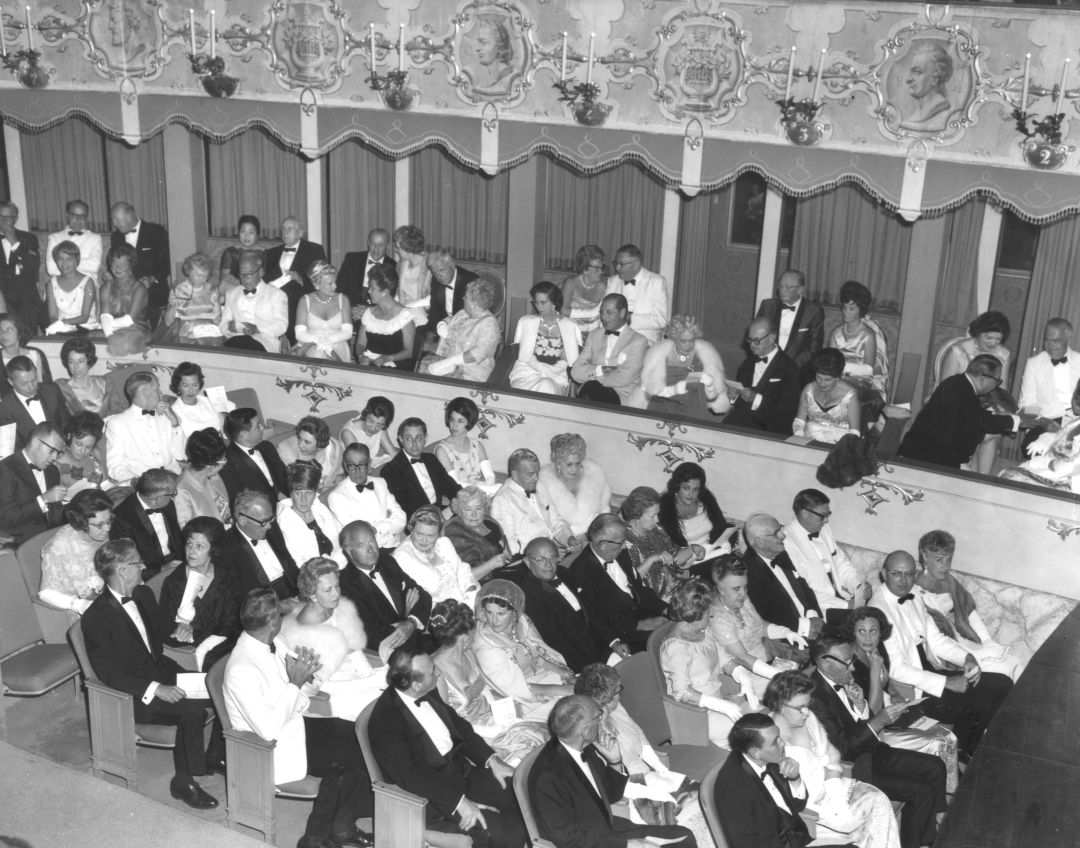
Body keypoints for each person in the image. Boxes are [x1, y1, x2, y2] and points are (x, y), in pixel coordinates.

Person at [223, 587, 376, 848]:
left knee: (358, 738)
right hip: (270, 749)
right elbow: (268, 729)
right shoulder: (241, 668)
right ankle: (313, 839)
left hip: (294, 724)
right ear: (273, 622)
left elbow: (300, 695)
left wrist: (309, 677)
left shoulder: (274, 643)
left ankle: (341, 827)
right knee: (342, 764)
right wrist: (295, 683)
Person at [83, 539, 220, 810]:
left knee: (217, 690)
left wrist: (181, 629)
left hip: (161, 669)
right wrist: (154, 688)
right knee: (192, 712)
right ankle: (184, 781)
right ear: (123, 571)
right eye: (137, 563)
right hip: (135, 693)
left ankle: (213, 757)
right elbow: (109, 673)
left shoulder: (142, 594)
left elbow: (160, 628)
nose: (143, 566)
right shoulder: (95, 618)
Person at [368, 642, 524, 848]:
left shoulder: (427, 691)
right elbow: (411, 777)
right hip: (434, 794)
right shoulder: (386, 722)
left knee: (519, 795)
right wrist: (460, 803)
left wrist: (492, 760)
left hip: (462, 771)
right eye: (433, 671)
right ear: (416, 684)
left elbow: (461, 728)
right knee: (496, 831)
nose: (439, 672)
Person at [869, 550, 1013, 759]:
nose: (904, 580)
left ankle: (969, 749)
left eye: (909, 573)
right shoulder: (878, 610)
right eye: (896, 573)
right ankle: (966, 753)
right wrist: (946, 682)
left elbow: (935, 640)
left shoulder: (915, 593)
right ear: (884, 574)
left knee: (1002, 683)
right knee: (980, 703)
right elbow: (897, 668)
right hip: (914, 691)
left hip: (932, 670)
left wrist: (966, 658)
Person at [807, 632, 947, 848]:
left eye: (852, 660)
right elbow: (842, 750)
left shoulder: (841, 679)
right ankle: (918, 843)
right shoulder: (814, 698)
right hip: (853, 769)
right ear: (824, 665)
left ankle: (932, 830)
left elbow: (857, 726)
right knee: (921, 791)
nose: (852, 668)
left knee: (935, 765)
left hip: (872, 751)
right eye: (846, 663)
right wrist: (879, 721)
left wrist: (861, 707)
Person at [531, 695, 697, 848]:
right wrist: (627, 844)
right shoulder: (547, 778)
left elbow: (611, 794)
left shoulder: (583, 747)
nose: (602, 719)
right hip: (591, 842)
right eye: (598, 716)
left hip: (606, 826)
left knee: (683, 836)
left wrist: (614, 760)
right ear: (586, 730)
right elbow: (568, 839)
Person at [574, 663, 710, 845]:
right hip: (629, 794)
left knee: (705, 798)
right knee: (687, 824)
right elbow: (609, 785)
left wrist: (660, 768)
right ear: (604, 701)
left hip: (649, 776)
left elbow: (638, 735)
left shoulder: (616, 708)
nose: (620, 693)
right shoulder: (590, 734)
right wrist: (658, 794)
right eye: (617, 691)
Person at [765, 672, 901, 848]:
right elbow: (782, 796)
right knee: (864, 825)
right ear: (779, 705)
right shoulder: (770, 738)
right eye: (800, 708)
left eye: (808, 704)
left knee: (878, 799)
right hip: (808, 811)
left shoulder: (809, 718)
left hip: (831, 786)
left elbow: (831, 759)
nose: (806, 712)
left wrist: (837, 798)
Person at [846, 606, 960, 795]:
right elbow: (872, 715)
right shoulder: (850, 666)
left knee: (946, 733)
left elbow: (887, 678)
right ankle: (945, 795)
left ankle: (946, 789)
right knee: (942, 740)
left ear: (880, 632)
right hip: (876, 733)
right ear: (853, 632)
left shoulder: (877, 647)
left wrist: (894, 692)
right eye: (861, 632)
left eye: (873, 631)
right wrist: (875, 672)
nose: (868, 638)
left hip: (892, 713)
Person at [430, 599, 549, 764]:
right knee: (529, 752)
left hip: (498, 722)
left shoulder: (468, 653)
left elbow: (487, 691)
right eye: (474, 630)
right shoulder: (435, 673)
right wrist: (490, 730)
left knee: (542, 737)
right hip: (473, 738)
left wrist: (509, 715)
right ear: (464, 637)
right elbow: (448, 724)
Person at [278, 557, 387, 721]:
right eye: (328, 590)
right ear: (312, 595)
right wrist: (371, 682)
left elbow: (354, 654)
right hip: (333, 698)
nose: (336, 594)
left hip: (361, 682)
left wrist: (370, 675)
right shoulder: (298, 633)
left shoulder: (336, 610)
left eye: (337, 586)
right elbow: (318, 685)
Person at [915, 530, 1023, 681]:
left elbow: (970, 612)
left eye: (948, 560)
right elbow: (933, 639)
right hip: (942, 650)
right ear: (925, 556)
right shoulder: (913, 589)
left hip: (963, 638)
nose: (945, 567)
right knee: (1002, 670)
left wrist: (986, 641)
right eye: (939, 560)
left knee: (1015, 664)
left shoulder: (949, 581)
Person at [708, 555, 807, 707]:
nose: (743, 593)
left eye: (745, 586)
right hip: (742, 678)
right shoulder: (717, 618)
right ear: (720, 589)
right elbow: (741, 657)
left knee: (803, 688)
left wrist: (784, 632)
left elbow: (759, 626)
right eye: (736, 589)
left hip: (765, 665)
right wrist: (775, 675)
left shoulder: (742, 599)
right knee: (794, 697)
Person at [472, 579, 575, 719]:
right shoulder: (486, 646)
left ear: (514, 612)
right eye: (489, 613)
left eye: (501, 614)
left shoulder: (521, 621)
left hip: (544, 679)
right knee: (575, 711)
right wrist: (565, 689)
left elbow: (542, 657)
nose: (493, 620)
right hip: (522, 699)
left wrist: (566, 674)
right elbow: (515, 689)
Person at [567, 513, 668, 657]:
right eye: (621, 542)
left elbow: (640, 590)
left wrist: (665, 609)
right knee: (669, 638)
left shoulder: (621, 553)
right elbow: (594, 616)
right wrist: (616, 641)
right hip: (622, 630)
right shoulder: (580, 571)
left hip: (642, 614)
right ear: (603, 544)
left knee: (680, 622)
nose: (625, 545)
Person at [659, 578, 745, 746]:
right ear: (695, 613)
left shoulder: (701, 630)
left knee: (760, 717)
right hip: (698, 714)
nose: (711, 613)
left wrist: (740, 673)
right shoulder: (676, 647)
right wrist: (720, 705)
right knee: (749, 733)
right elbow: (682, 693)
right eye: (707, 610)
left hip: (719, 701)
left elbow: (721, 655)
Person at [714, 713, 821, 848]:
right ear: (755, 752)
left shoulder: (767, 758)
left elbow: (797, 806)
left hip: (799, 839)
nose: (782, 743)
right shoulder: (734, 791)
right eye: (776, 741)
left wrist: (794, 778)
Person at [899, 353, 1020, 470]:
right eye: (998, 381)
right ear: (983, 379)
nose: (997, 385)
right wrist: (1016, 420)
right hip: (922, 461)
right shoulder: (958, 389)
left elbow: (971, 421)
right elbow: (980, 421)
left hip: (935, 459)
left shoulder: (960, 385)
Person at [503, 537, 606, 673]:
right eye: (540, 560)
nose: (549, 564)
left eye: (552, 558)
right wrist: (591, 666)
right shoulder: (529, 596)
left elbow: (591, 611)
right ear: (528, 562)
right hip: (577, 662)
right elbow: (555, 641)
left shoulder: (563, 573)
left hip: (599, 645)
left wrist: (612, 642)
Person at [933, 310, 1014, 474]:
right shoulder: (958, 352)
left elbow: (1001, 389)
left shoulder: (1003, 354)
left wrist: (996, 411)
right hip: (955, 405)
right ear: (978, 332)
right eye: (988, 338)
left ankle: (982, 479)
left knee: (991, 432)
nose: (992, 343)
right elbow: (945, 388)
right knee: (976, 427)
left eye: (997, 339)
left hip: (986, 404)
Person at [337, 520, 432, 658]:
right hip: (390, 654)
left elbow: (422, 596)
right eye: (361, 545)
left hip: (416, 637)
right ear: (349, 551)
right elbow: (371, 633)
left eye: (372, 541)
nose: (370, 549)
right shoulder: (345, 584)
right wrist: (405, 619)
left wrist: (411, 622)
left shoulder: (386, 561)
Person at [158, 516, 239, 671]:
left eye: (200, 546)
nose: (191, 551)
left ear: (213, 550)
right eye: (189, 543)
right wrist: (182, 628)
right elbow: (163, 623)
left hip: (223, 642)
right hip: (192, 649)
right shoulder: (174, 582)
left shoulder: (226, 575)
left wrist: (194, 629)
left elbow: (231, 620)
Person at [783, 489, 869, 617]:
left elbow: (841, 563)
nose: (827, 521)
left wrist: (858, 588)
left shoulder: (824, 529)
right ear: (805, 513)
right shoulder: (786, 542)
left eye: (828, 514)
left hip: (841, 597)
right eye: (823, 516)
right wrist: (846, 605)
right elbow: (803, 589)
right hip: (819, 608)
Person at [744, 513, 825, 640]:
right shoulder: (749, 571)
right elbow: (762, 615)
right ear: (759, 541)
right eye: (776, 533)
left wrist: (812, 615)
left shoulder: (780, 553)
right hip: (788, 636)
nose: (783, 535)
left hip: (812, 622)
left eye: (781, 529)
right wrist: (804, 626)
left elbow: (805, 588)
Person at [638, 315, 730, 419]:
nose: (688, 345)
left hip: (697, 410)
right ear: (674, 338)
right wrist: (674, 389)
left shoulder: (703, 356)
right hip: (664, 408)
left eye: (691, 340)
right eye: (683, 341)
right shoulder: (660, 355)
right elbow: (651, 388)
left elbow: (713, 393)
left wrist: (709, 386)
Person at [620, 486, 702, 603]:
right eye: (652, 516)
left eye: (657, 514)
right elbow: (629, 581)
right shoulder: (624, 541)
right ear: (636, 514)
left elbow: (674, 558)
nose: (657, 520)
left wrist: (692, 549)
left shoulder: (657, 530)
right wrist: (652, 559)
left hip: (673, 591)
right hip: (649, 601)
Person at [491, 447, 577, 556]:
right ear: (515, 475)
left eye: (537, 472)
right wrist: (546, 554)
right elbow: (510, 547)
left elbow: (555, 520)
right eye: (530, 474)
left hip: (553, 552)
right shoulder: (502, 501)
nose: (536, 478)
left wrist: (570, 539)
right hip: (530, 562)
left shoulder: (540, 486)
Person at [38, 489, 114, 614]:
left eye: (109, 520)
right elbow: (45, 593)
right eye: (100, 524)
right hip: (81, 608)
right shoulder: (58, 548)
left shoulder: (99, 531)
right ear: (81, 522)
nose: (107, 528)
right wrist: (80, 605)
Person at [103, 371, 185, 484]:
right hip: (144, 486)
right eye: (157, 389)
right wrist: (140, 483)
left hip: (175, 479)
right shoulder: (117, 423)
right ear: (146, 392)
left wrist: (174, 422)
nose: (160, 392)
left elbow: (181, 455)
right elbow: (115, 466)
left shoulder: (166, 416)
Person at [724, 317, 803, 435]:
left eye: (756, 341)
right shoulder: (746, 365)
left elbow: (788, 411)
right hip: (741, 424)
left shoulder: (789, 368)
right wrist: (733, 397)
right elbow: (738, 404)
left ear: (771, 338)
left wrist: (756, 399)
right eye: (749, 340)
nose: (751, 345)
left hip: (770, 428)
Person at [1003, 376, 1080, 491]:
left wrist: (1049, 464)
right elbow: (1061, 435)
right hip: (1049, 419)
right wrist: (1044, 439)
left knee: (1018, 481)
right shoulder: (1075, 422)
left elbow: (1072, 465)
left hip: (1069, 475)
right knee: (1009, 476)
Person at [393, 505, 481, 605]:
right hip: (440, 613)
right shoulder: (403, 557)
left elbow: (462, 569)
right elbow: (421, 599)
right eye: (419, 534)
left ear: (439, 533)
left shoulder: (443, 542)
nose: (424, 540)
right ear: (411, 529)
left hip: (468, 600)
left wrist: (471, 593)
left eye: (430, 536)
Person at [828, 280, 889, 423]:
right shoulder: (835, 333)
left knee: (841, 392)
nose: (846, 312)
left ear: (860, 310)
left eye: (851, 308)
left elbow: (868, 370)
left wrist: (842, 368)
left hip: (860, 382)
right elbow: (829, 363)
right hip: (837, 378)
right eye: (844, 307)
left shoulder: (868, 335)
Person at [570, 293, 648, 406]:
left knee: (591, 390)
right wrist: (603, 369)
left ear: (622, 313)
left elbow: (624, 377)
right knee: (591, 391)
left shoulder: (639, 341)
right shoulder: (594, 335)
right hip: (591, 393)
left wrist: (593, 377)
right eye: (601, 312)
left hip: (621, 398)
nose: (603, 317)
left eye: (608, 312)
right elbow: (576, 372)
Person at [220, 489, 299, 600]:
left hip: (293, 590)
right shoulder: (227, 547)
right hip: (263, 605)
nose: (269, 526)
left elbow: (290, 564)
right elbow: (238, 596)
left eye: (271, 518)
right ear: (242, 519)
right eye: (263, 522)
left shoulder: (272, 526)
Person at [262, 215, 327, 345]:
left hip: (300, 305)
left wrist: (301, 280)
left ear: (300, 232)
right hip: (274, 305)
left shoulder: (314, 250)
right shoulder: (271, 253)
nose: (285, 232)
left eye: (290, 229)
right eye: (283, 229)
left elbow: (323, 282)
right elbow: (264, 280)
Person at [327, 442, 407, 548]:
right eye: (351, 465)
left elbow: (401, 519)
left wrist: (375, 528)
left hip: (396, 544)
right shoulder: (336, 496)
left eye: (362, 464)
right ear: (345, 466)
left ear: (369, 464)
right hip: (369, 552)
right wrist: (389, 524)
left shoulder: (380, 483)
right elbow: (359, 537)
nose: (357, 470)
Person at [1017, 318, 1080, 450]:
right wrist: (1041, 421)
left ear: (1069, 340)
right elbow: (1027, 403)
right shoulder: (1034, 364)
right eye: (1047, 340)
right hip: (1048, 420)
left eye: (1056, 341)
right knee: (1031, 449)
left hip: (1077, 419)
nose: (1051, 346)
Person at [508, 280, 580, 396]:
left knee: (546, 386)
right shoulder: (526, 322)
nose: (538, 307)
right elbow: (524, 354)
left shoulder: (569, 325)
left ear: (554, 303)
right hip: (527, 372)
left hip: (556, 376)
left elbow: (567, 359)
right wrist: (544, 370)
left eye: (543, 302)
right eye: (536, 302)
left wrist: (551, 373)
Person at [423, 278, 501, 382]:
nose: (463, 298)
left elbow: (478, 352)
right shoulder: (464, 313)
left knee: (423, 374)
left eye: (466, 297)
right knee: (418, 365)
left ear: (474, 303)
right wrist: (442, 324)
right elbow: (450, 319)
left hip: (468, 375)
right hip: (448, 363)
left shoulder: (489, 324)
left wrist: (448, 362)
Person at [109, 468, 183, 579]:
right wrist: (161, 570)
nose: (174, 495)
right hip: (151, 575)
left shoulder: (168, 504)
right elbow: (127, 565)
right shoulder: (121, 520)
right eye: (173, 493)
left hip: (177, 564)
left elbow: (177, 536)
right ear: (157, 499)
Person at [536, 433, 612, 539]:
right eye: (569, 464)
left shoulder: (595, 476)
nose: (574, 469)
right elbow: (547, 523)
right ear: (557, 463)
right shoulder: (543, 483)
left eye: (578, 463)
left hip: (594, 538)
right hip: (560, 542)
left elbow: (605, 510)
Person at [382, 417, 462, 517]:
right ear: (401, 439)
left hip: (441, 513)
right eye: (409, 438)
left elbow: (451, 486)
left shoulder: (431, 459)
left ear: (426, 438)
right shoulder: (391, 470)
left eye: (419, 438)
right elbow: (401, 510)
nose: (414, 443)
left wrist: (460, 499)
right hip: (418, 520)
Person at [0, 422, 66, 543]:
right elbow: (6, 518)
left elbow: (55, 512)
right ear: (36, 442)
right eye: (52, 451)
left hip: (51, 536)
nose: (54, 457)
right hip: (20, 541)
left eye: (58, 452)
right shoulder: (5, 469)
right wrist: (43, 499)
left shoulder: (53, 471)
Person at [656, 462, 732, 564]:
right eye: (686, 488)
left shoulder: (706, 499)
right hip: (688, 561)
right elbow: (665, 545)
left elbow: (720, 526)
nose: (691, 494)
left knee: (738, 568)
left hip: (713, 553)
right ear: (677, 486)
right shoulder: (665, 507)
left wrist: (724, 546)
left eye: (695, 489)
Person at [756, 269, 825, 373]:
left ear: (800, 290)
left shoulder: (813, 311)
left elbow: (814, 348)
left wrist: (790, 366)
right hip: (766, 366)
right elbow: (757, 338)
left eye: (788, 287)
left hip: (797, 370)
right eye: (780, 285)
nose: (782, 290)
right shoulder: (767, 306)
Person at [277, 463, 346, 567]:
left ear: (315, 492)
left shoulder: (319, 507)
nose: (303, 500)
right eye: (298, 493)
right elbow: (301, 563)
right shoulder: (285, 522)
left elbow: (341, 537)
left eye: (308, 493)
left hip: (341, 563)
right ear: (290, 493)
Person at [220, 250, 288, 352]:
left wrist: (257, 329)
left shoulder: (277, 295)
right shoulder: (231, 293)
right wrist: (229, 327)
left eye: (249, 274)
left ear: (261, 272)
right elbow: (223, 323)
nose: (244, 279)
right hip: (235, 340)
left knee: (247, 346)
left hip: (264, 340)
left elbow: (281, 326)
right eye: (242, 274)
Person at [108, 202, 170, 314]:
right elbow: (114, 261)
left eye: (117, 220)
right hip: (125, 298)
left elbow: (167, 263)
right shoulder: (116, 237)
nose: (114, 224)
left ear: (129, 216)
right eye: (113, 220)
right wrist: (109, 273)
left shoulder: (156, 231)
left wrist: (152, 279)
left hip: (153, 296)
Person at [219, 406, 290, 504]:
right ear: (244, 434)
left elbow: (284, 477)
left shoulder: (267, 447)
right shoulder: (228, 463)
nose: (262, 428)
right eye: (257, 426)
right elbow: (239, 500)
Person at [355, 264, 419, 370]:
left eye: (373, 288)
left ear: (384, 291)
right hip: (369, 366)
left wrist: (386, 359)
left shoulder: (405, 316)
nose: (369, 291)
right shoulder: (369, 313)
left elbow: (408, 352)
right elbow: (360, 344)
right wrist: (362, 356)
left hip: (395, 368)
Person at [603, 244, 670, 345]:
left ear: (636, 264)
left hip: (644, 340)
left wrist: (629, 318)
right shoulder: (613, 281)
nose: (617, 268)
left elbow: (661, 319)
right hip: (613, 338)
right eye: (616, 263)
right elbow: (604, 313)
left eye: (621, 264)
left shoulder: (656, 282)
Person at [0, 356, 71, 451]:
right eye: (24, 384)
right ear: (10, 382)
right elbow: (12, 449)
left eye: (34, 380)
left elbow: (67, 423)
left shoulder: (52, 390)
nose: (31, 387)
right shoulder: (5, 409)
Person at [792, 348, 862, 444]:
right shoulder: (809, 390)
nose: (822, 383)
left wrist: (831, 437)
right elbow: (799, 421)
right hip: (808, 441)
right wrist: (799, 434)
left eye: (828, 379)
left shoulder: (850, 396)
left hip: (837, 447)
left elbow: (854, 433)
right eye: (819, 377)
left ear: (838, 377)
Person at [443, 485, 511, 575]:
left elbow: (507, 552)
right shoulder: (454, 532)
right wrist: (492, 565)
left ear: (485, 509)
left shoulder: (490, 523)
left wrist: (509, 558)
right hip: (482, 583)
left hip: (507, 572)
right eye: (468, 509)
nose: (474, 514)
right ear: (459, 510)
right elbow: (465, 576)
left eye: (479, 508)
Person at [433, 397, 497, 491]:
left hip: (480, 493)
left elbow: (490, 477)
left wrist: (484, 492)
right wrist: (482, 490)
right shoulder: (442, 450)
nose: (454, 425)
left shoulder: (477, 445)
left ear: (469, 422)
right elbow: (455, 484)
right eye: (452, 419)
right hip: (458, 495)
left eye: (460, 421)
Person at [293, 261, 352, 361]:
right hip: (310, 344)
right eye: (330, 283)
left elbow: (348, 332)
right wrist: (318, 341)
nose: (335, 286)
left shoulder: (343, 299)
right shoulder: (305, 301)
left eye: (335, 281)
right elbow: (299, 333)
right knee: (317, 354)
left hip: (337, 345)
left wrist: (329, 340)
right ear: (317, 284)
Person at [98, 244, 151, 353]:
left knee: (123, 341)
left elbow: (128, 320)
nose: (117, 268)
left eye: (122, 264)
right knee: (92, 337)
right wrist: (109, 336)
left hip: (136, 329)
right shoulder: (106, 287)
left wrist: (107, 326)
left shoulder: (139, 288)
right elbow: (105, 316)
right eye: (114, 263)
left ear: (130, 266)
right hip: (112, 329)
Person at [174, 428, 230, 528]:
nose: (224, 464)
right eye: (224, 460)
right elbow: (187, 530)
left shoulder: (214, 476)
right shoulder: (181, 490)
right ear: (210, 465)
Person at [277, 415, 345, 495]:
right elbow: (294, 487)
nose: (301, 445)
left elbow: (341, 475)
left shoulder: (335, 450)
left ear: (320, 445)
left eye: (307, 442)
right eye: (299, 438)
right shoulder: (288, 451)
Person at [163, 252, 222, 345]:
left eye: (205, 276)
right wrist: (175, 305)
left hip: (209, 334)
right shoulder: (179, 290)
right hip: (187, 334)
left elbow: (218, 318)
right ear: (189, 271)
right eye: (198, 275)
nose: (201, 279)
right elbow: (168, 321)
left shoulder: (212, 290)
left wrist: (217, 317)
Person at [0, 202, 41, 333]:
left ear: (16, 218)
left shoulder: (28, 238)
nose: (4, 220)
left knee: (27, 324)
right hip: (1, 292)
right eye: (0, 216)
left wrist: (14, 241)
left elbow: (32, 266)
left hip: (25, 293)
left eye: (9, 217)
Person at [337, 227, 396, 315]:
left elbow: (391, 297)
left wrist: (370, 310)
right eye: (373, 244)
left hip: (378, 314)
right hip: (350, 312)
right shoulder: (351, 259)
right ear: (368, 243)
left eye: (381, 245)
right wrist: (350, 309)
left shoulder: (393, 266)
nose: (376, 249)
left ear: (387, 246)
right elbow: (340, 288)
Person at [44, 240, 98, 332]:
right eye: (60, 259)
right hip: (62, 328)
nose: (64, 263)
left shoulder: (87, 282)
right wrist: (59, 325)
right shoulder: (51, 284)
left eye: (69, 259)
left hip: (86, 328)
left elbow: (84, 317)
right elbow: (53, 316)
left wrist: (61, 323)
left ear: (77, 260)